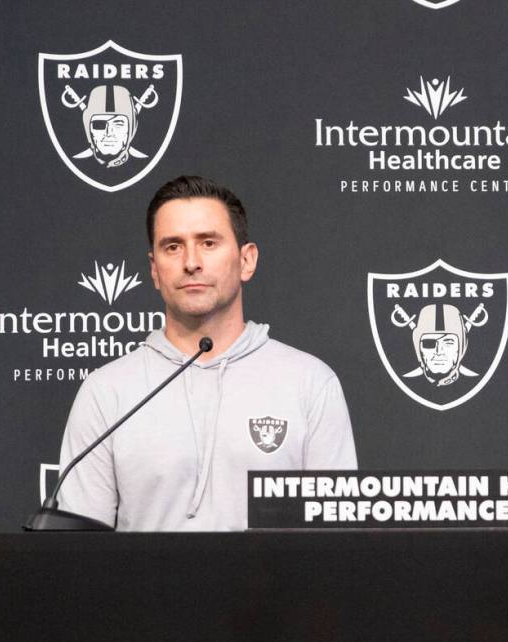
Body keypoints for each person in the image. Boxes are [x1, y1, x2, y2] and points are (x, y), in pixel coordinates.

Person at [58, 175, 357, 530]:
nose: (191, 262)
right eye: (173, 247)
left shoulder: (310, 383)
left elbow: (336, 542)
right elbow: (77, 553)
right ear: (154, 270)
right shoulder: (106, 392)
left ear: (247, 260)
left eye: (209, 243)